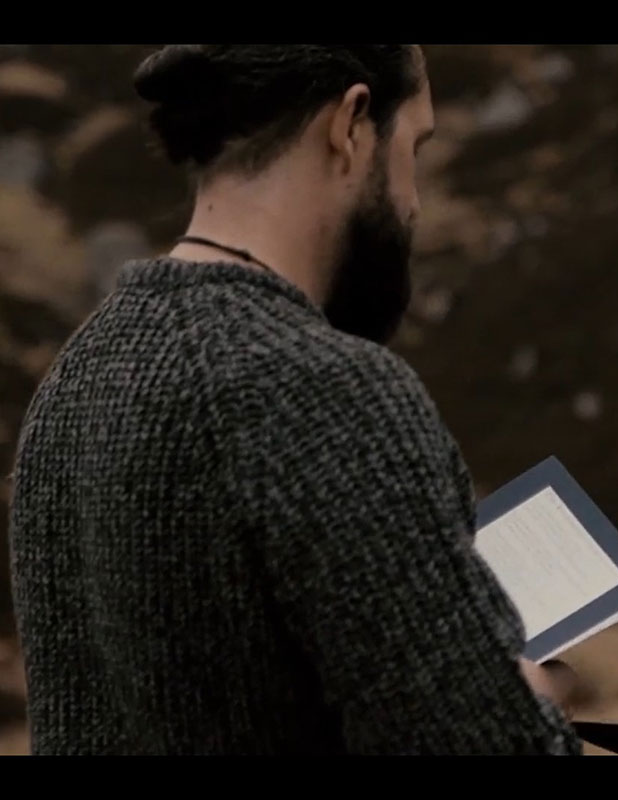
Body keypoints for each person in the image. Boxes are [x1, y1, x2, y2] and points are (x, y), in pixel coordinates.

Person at [8, 44, 580, 755]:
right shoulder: (327, 386)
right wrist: (533, 696)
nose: (414, 199)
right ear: (351, 124)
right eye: (414, 148)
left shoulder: (76, 378)